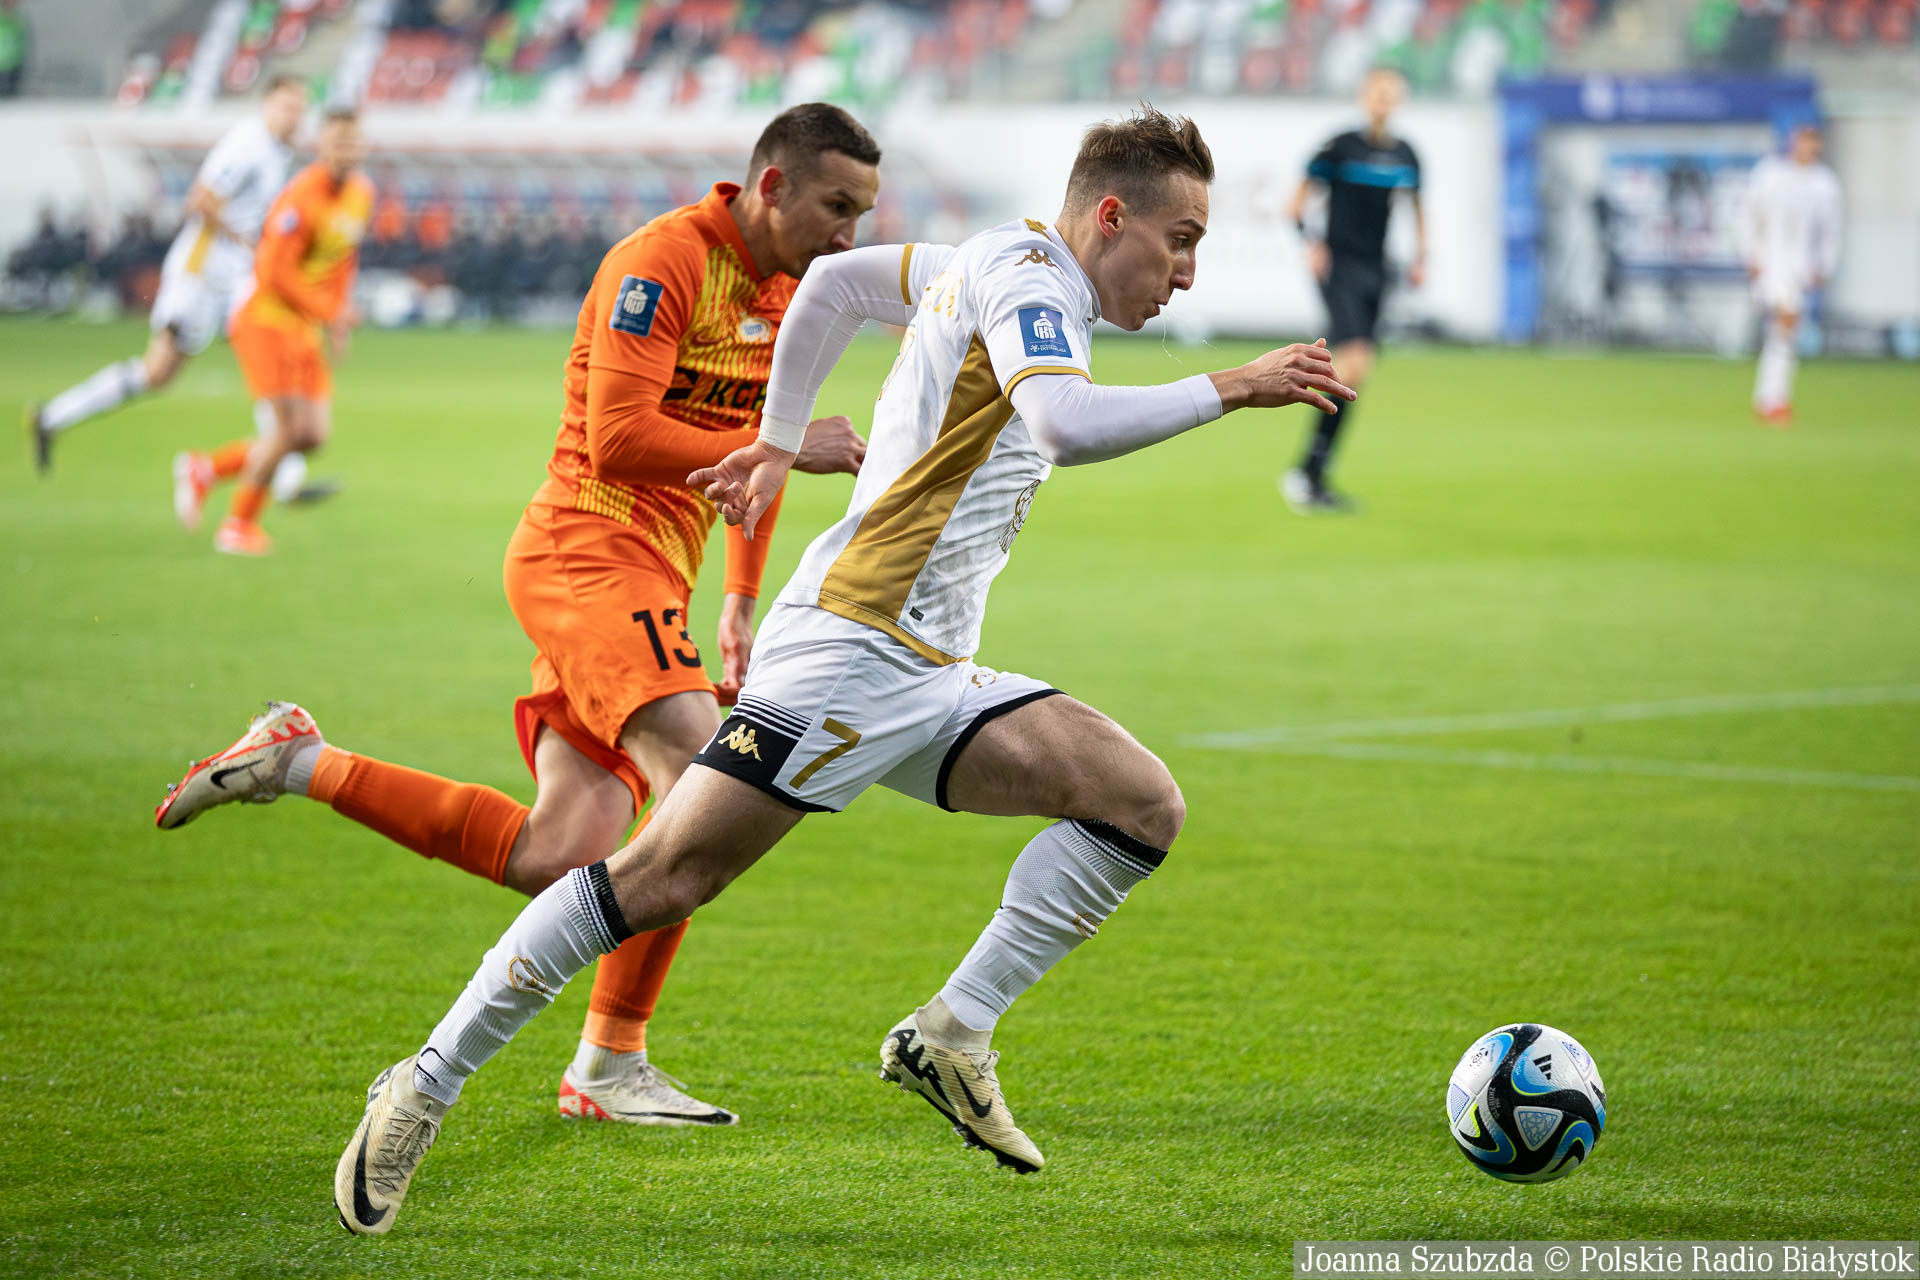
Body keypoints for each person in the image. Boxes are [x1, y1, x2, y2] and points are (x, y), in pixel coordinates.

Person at [324, 104, 1353, 1236]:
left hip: (930, 664)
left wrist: (775, 439)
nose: (1188, 272)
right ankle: (423, 1083)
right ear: (1111, 216)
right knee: (660, 876)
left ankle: (952, 1033)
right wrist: (1235, 385)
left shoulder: (981, 261)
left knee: (1138, 803)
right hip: (853, 652)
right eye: (1180, 239)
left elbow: (835, 286)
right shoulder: (1031, 286)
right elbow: (1061, 423)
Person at [156, 106, 876, 1134]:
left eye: (861, 214)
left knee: (558, 851)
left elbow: (751, 461)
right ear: (772, 186)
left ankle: (300, 762)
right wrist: (787, 448)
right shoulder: (663, 262)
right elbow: (620, 436)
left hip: (656, 572)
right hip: (588, 545)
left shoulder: (792, 293)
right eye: (837, 206)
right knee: (704, 782)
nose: (848, 235)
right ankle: (610, 1058)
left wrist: (739, 601)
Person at [27, 76, 307, 480]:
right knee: (161, 370)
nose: (294, 116)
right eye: (287, 106)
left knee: (261, 350)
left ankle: (285, 473)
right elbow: (201, 200)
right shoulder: (248, 143)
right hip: (204, 271)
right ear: (267, 104)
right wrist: (248, 243)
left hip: (235, 275)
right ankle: (53, 417)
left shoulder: (277, 152)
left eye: (299, 108)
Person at [170, 107, 372, 556]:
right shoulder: (301, 196)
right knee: (286, 430)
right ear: (321, 147)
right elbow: (273, 272)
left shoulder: (362, 194)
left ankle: (207, 469)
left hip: (302, 323)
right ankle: (238, 526)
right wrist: (330, 311)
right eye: (338, 141)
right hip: (265, 318)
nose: (346, 150)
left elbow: (343, 257)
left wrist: (337, 315)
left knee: (312, 435)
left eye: (353, 141)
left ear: (363, 147)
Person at [1281, 66, 1424, 514]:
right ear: (1365, 97)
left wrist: (1422, 257)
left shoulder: (1405, 155)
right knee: (1353, 365)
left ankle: (1311, 475)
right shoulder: (1340, 147)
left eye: (1390, 94)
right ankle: (1307, 474)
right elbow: (1296, 204)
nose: (1383, 100)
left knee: (1354, 371)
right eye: (1377, 92)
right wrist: (1312, 243)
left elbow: (1417, 208)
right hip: (1339, 266)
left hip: (1377, 270)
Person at [1742, 122, 1841, 426]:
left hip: (1798, 268)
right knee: (1786, 323)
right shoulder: (1770, 174)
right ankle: (1773, 399)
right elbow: (1748, 215)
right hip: (1770, 264)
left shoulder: (1824, 183)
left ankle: (1770, 398)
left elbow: (1831, 229)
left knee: (1783, 331)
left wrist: (1825, 264)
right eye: (1802, 140)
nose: (1807, 147)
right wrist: (1750, 254)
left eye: (1812, 141)